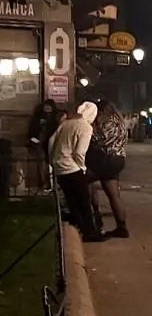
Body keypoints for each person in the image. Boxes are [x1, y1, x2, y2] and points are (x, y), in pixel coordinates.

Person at [50, 102, 105, 242]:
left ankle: (78, 227)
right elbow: (80, 151)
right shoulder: (86, 127)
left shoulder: (67, 123)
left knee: (72, 200)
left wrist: (53, 160)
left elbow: (52, 141)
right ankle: (89, 232)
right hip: (72, 168)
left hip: (59, 167)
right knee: (84, 201)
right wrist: (82, 167)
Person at [86, 100, 130, 238]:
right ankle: (122, 227)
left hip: (104, 158)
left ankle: (94, 219)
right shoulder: (121, 123)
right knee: (113, 194)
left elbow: (99, 140)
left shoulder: (106, 123)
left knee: (86, 181)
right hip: (118, 159)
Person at [27, 99, 58, 190]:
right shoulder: (37, 119)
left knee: (51, 164)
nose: (47, 110)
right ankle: (45, 183)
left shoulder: (54, 120)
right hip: (40, 144)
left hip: (50, 143)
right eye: (46, 108)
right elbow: (32, 131)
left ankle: (52, 184)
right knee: (42, 164)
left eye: (49, 108)